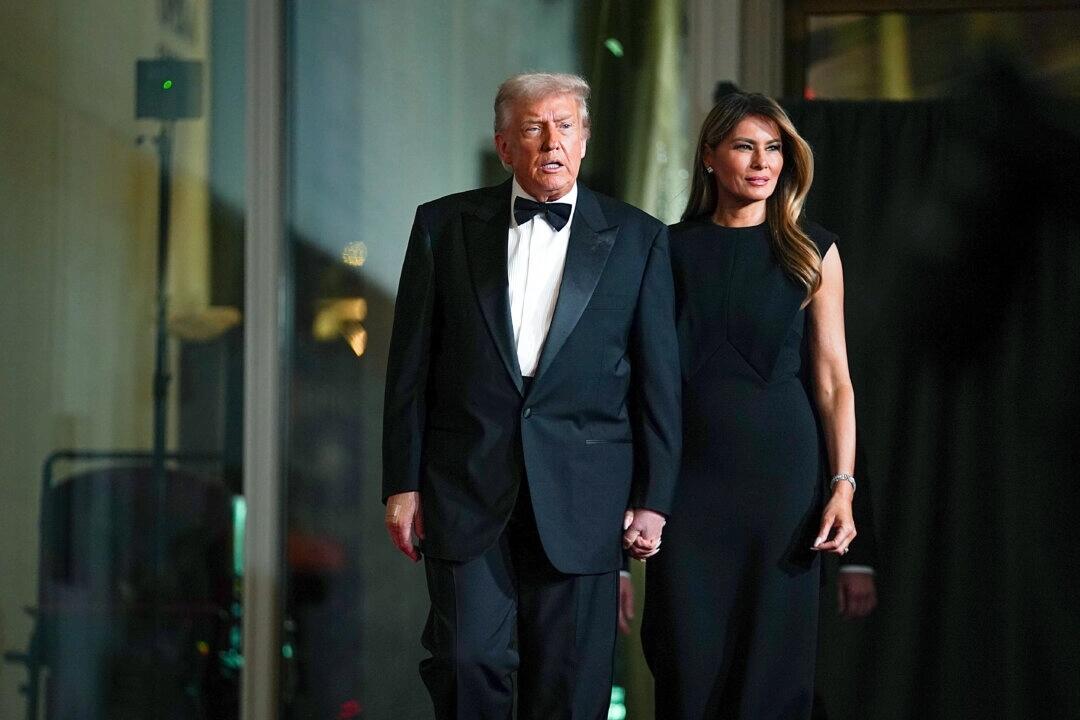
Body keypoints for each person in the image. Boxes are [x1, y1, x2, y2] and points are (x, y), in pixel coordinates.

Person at [382, 72, 682, 719]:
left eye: (566, 126)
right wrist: (401, 482)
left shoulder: (640, 238)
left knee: (569, 689)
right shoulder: (442, 225)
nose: (552, 142)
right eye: (533, 128)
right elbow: (410, 367)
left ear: (585, 139)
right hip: (465, 485)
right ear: (503, 145)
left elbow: (658, 382)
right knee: (465, 663)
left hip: (585, 494)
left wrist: (654, 497)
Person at [641, 91, 857, 719]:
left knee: (772, 670)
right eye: (745, 147)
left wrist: (842, 485)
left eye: (774, 148)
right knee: (687, 665)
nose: (763, 163)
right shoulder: (666, 248)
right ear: (710, 156)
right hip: (689, 484)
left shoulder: (813, 249)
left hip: (783, 484)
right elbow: (644, 379)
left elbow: (834, 380)